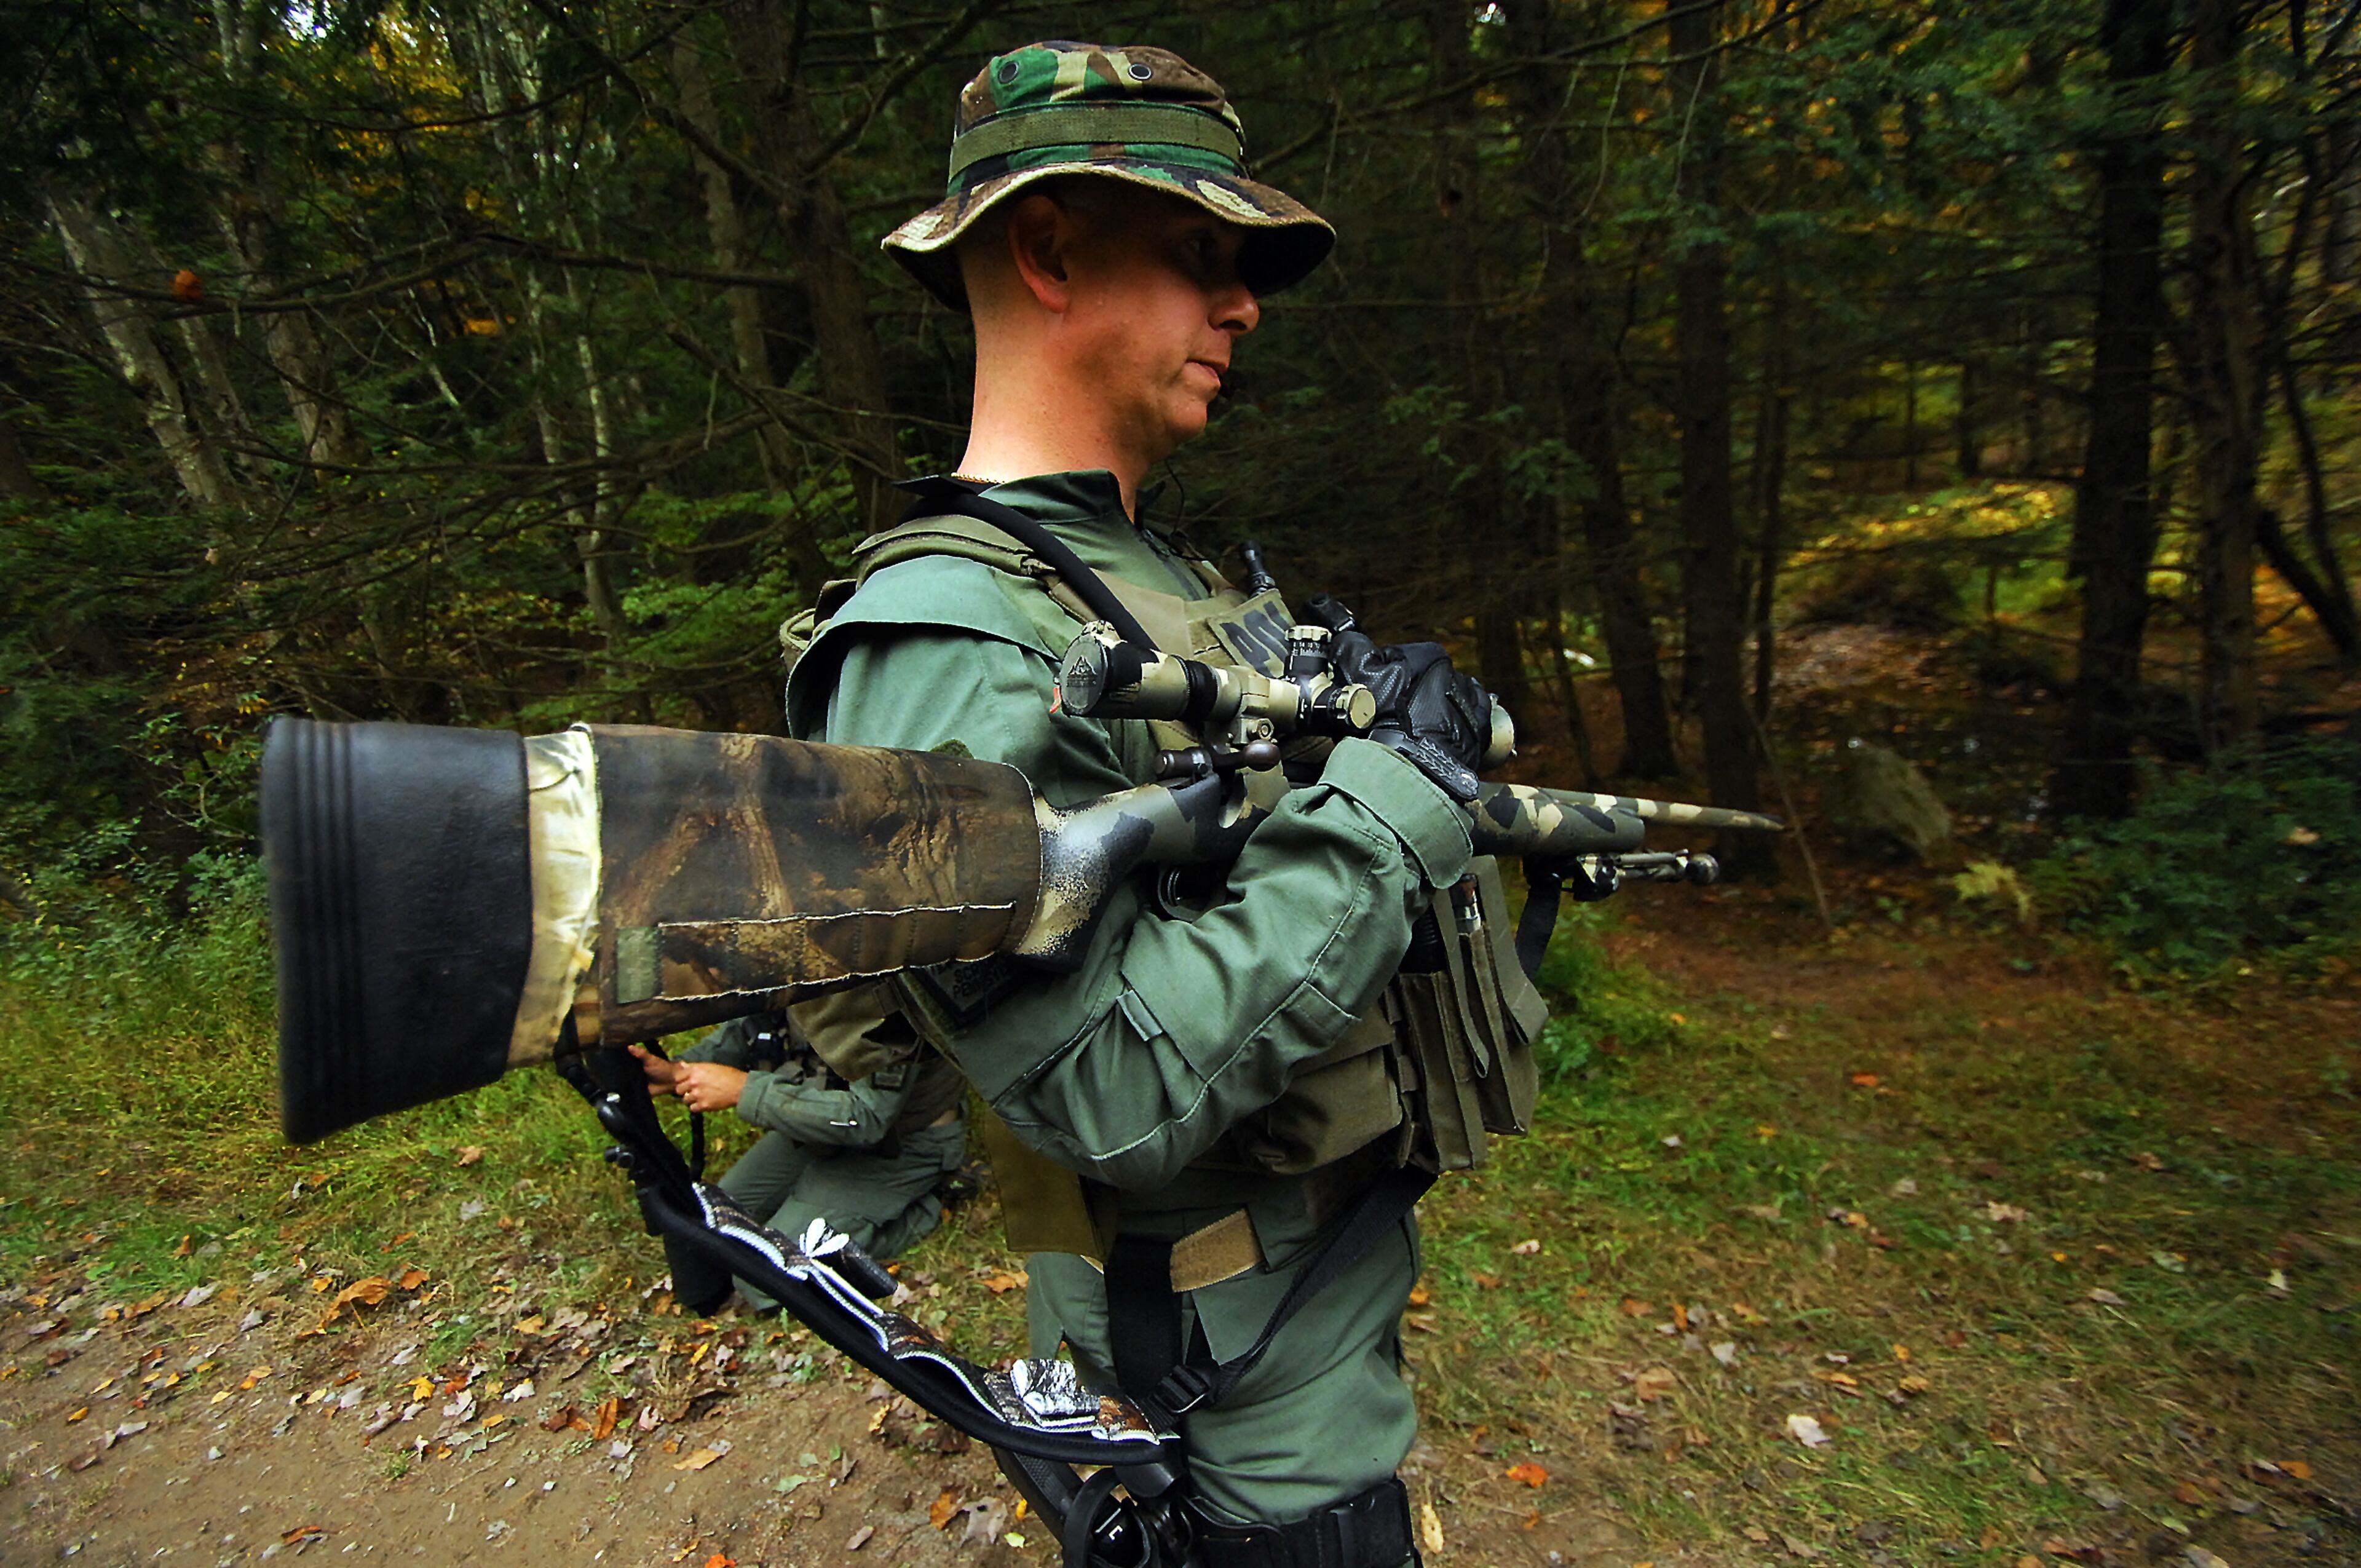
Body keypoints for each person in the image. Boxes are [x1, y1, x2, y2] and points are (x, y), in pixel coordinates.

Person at [782, 41, 1505, 1567]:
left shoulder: (1150, 576)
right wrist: (1390, 805)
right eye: (1199, 255)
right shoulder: (943, 647)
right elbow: (1103, 1086)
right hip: (1233, 1406)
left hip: (1304, 1317)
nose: (1239, 305)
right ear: (1046, 247)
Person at [630, 1004, 968, 1270]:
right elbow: (747, 1031)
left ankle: (939, 1199)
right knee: (712, 1228)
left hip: (905, 1141)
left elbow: (868, 1119)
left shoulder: (875, 989)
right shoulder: (792, 964)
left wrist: (745, 1091)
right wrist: (678, 1074)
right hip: (818, 1127)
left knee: (770, 1276)